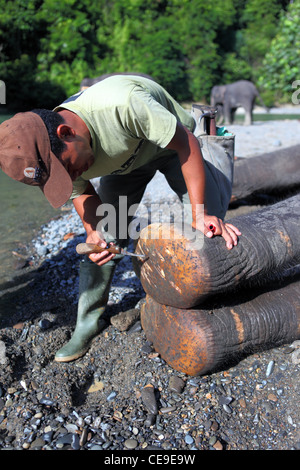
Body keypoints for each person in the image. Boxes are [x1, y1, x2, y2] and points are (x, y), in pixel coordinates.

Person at [0, 75, 241, 362]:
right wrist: (93, 232)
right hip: (125, 167)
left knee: (211, 226)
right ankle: (89, 321)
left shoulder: (122, 105)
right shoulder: (60, 157)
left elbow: (185, 143)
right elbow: (81, 191)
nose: (71, 177)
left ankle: (215, 139)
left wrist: (200, 213)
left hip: (172, 147)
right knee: (106, 238)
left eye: (68, 170)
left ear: (66, 133)